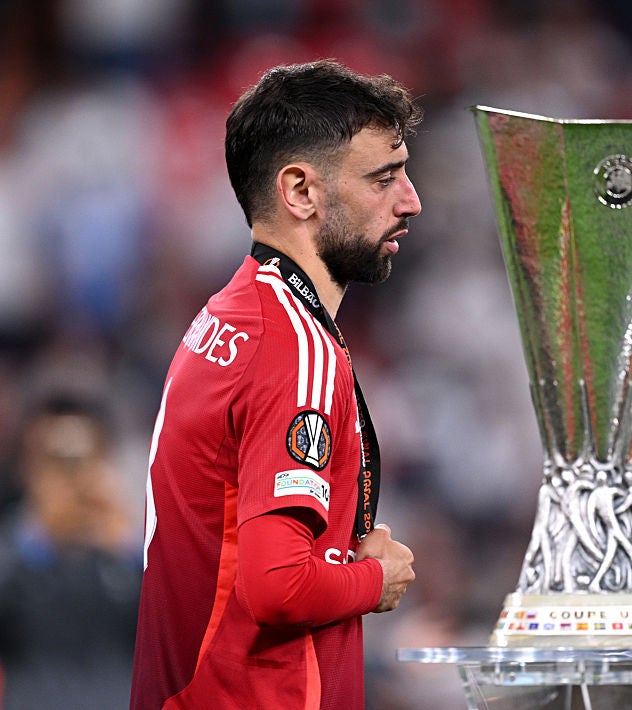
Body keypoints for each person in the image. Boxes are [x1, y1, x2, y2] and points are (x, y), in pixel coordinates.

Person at [130, 60, 420, 709]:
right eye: (383, 178)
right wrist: (376, 579)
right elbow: (276, 586)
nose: (410, 201)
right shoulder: (292, 347)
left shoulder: (228, 316)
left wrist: (344, 558)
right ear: (300, 191)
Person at [0, 392, 141, 708]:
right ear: (30, 466)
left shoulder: (128, 552)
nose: (73, 475)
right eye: (56, 460)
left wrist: (127, 548)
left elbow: (173, 629)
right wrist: (37, 539)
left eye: (86, 458)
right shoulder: (15, 549)